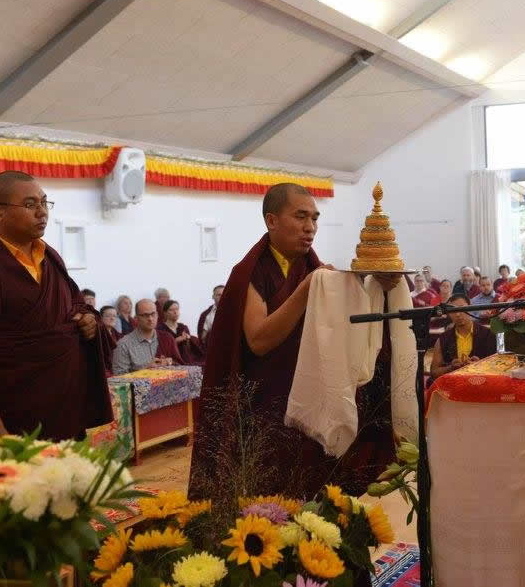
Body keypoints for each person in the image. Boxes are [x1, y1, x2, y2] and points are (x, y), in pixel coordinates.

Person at [188, 183, 397, 511]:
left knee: (317, 500)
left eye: (314, 219)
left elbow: (348, 325)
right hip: (265, 411)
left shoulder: (314, 270)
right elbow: (258, 340)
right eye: (300, 217)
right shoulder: (249, 273)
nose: (310, 227)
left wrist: (378, 290)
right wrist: (305, 291)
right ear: (271, 220)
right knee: (272, 507)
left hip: (312, 402)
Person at [0, 171, 112, 440]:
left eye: (44, 202)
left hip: (66, 406)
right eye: (29, 204)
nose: (42, 212)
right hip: (12, 412)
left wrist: (87, 321)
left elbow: (74, 305)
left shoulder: (49, 255)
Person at [428, 295, 497, 380]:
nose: (458, 314)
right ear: (449, 314)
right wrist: (450, 368)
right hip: (453, 385)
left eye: (461, 308)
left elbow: (498, 368)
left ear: (470, 308)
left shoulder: (488, 334)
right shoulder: (443, 339)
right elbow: (434, 372)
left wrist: (480, 365)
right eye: (452, 311)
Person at [111, 299, 183, 374]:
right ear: (136, 318)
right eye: (145, 315)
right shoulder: (124, 345)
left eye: (153, 314)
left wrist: (169, 362)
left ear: (157, 315)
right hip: (141, 385)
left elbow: (180, 367)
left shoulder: (167, 338)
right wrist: (146, 370)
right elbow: (119, 379)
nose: (150, 319)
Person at [159, 300, 205, 364]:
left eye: (177, 309)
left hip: (187, 360)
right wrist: (176, 341)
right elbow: (161, 348)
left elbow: (190, 349)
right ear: (165, 313)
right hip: (171, 361)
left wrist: (189, 339)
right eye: (171, 310)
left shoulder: (183, 327)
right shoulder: (160, 329)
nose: (175, 312)